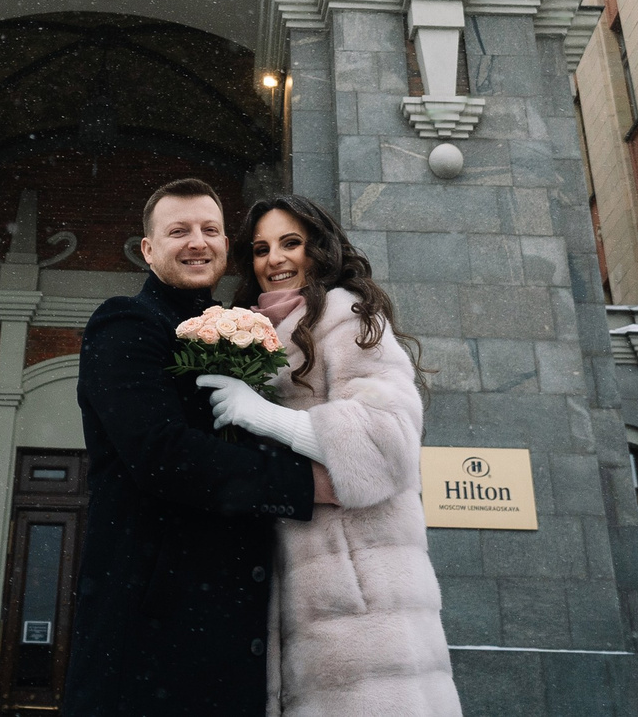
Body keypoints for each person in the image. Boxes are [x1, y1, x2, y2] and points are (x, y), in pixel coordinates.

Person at [63, 179, 320, 717]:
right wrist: (306, 484)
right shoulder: (126, 323)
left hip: (232, 631)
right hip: (153, 635)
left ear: (227, 246)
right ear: (148, 250)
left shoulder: (245, 330)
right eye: (178, 231)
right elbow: (162, 454)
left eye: (210, 229)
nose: (197, 242)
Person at [197, 195, 460, 717]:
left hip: (362, 603)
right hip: (287, 592)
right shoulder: (253, 335)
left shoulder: (350, 320)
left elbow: (389, 447)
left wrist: (262, 415)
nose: (275, 259)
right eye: (261, 248)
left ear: (319, 249)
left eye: (291, 243)